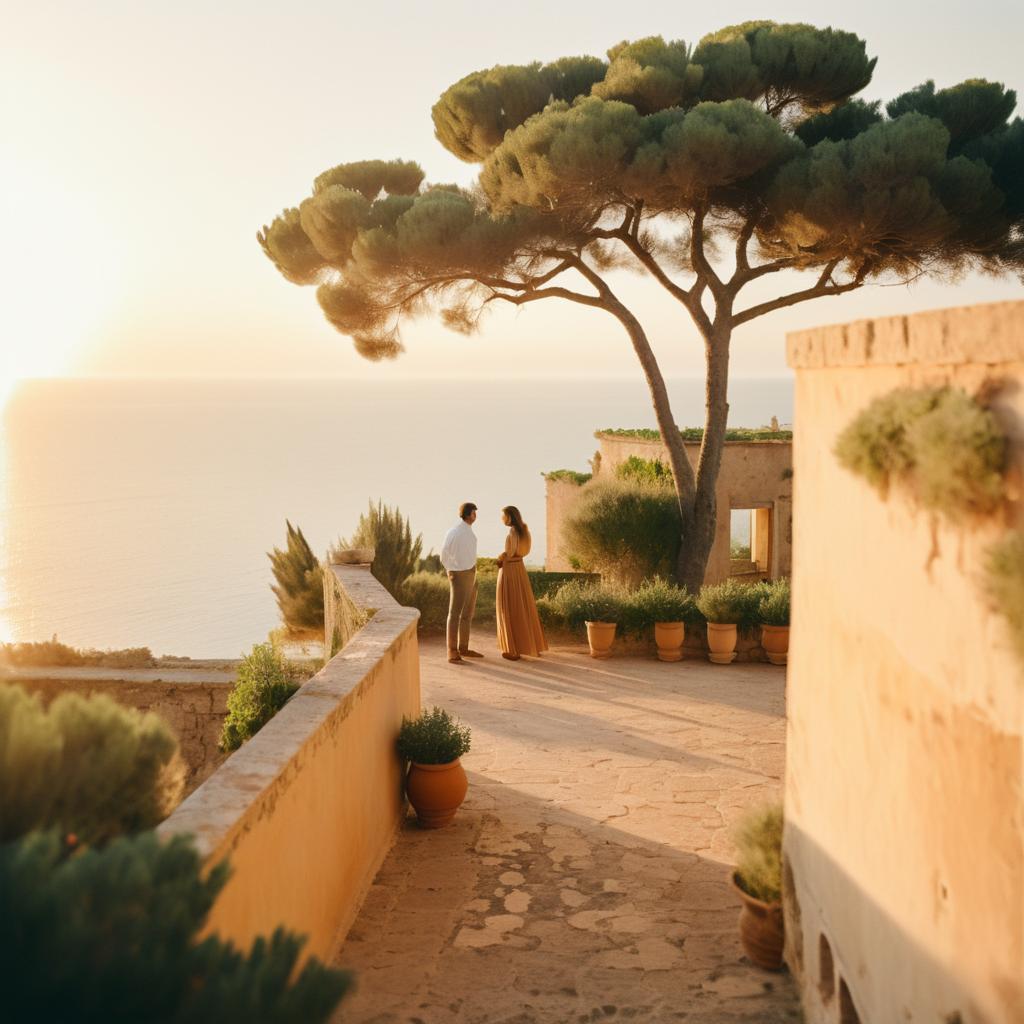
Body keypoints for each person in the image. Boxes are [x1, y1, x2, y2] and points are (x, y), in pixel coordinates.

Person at [495, 505, 548, 661]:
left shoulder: (512, 533)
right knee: (523, 606)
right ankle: (531, 646)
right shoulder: (525, 532)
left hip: (510, 570)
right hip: (520, 569)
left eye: (503, 516)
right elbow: (523, 552)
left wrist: (500, 558)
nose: (502, 518)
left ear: (510, 517)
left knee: (509, 608)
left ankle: (513, 650)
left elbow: (508, 554)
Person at [440, 502, 484, 664]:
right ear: (467, 514)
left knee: (468, 613)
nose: (476, 516)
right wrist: (450, 571)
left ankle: (464, 648)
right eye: (474, 513)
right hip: (459, 575)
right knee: (455, 613)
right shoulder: (454, 531)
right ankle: (452, 651)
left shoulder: (468, 531)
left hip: (471, 573)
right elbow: (444, 554)